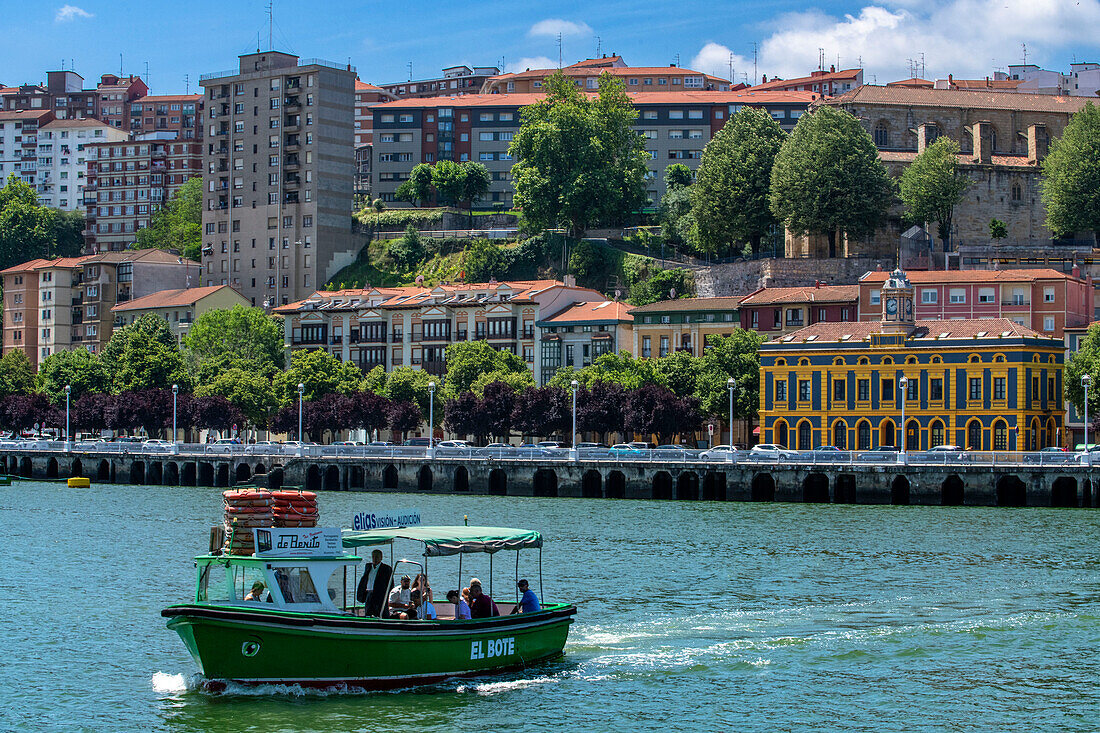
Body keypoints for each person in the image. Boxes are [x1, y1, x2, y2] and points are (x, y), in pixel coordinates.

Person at [355, 549, 393, 618]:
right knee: (368, 613)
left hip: (380, 595)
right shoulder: (368, 567)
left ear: (381, 558)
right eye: (373, 557)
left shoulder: (386, 569)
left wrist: (386, 596)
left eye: (377, 557)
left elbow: (390, 584)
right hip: (369, 594)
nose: (375, 559)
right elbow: (364, 581)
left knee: (381, 613)